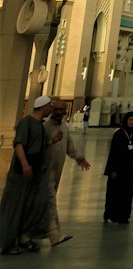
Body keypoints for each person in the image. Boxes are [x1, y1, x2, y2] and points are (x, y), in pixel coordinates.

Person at [0, 95, 55, 255]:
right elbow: (19, 145)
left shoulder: (40, 125)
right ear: (44, 107)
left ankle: (24, 237)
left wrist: (52, 142)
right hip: (21, 172)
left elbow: (37, 145)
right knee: (15, 206)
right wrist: (24, 165)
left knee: (32, 206)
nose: (51, 109)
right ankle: (7, 242)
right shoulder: (26, 123)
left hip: (34, 173)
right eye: (50, 106)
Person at [44, 100, 91, 246]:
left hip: (57, 171)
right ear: (51, 109)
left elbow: (69, 145)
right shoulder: (45, 127)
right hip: (44, 172)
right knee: (50, 201)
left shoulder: (63, 126)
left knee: (44, 203)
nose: (59, 113)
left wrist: (79, 158)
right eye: (56, 109)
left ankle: (26, 235)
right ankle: (54, 235)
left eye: (61, 110)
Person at [103, 111, 133, 223]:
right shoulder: (118, 134)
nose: (132, 122)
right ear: (125, 120)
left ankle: (124, 215)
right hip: (118, 169)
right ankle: (111, 214)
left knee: (127, 193)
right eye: (130, 120)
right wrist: (112, 169)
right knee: (115, 192)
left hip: (130, 169)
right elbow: (113, 153)